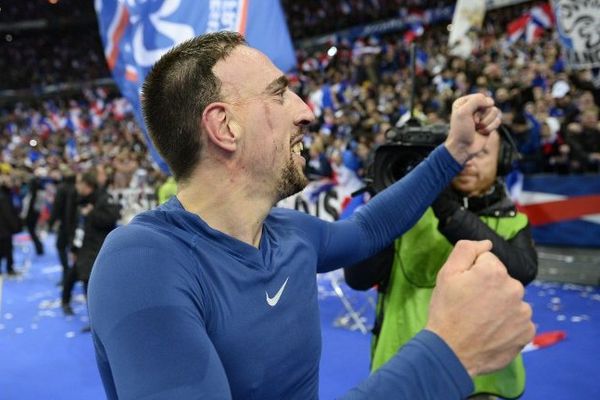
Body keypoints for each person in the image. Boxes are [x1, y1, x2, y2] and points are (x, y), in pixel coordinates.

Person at [88, 32, 534, 400]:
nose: (307, 111)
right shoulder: (143, 263)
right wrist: (449, 354)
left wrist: (453, 152)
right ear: (225, 127)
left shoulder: (287, 233)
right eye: (280, 93)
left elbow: (369, 227)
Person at [345, 128, 538, 399]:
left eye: (481, 153)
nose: (468, 161)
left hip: (484, 380)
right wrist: (386, 204)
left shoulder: (514, 222)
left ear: (502, 160)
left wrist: (445, 206)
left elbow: (522, 270)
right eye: (463, 151)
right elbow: (359, 278)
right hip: (407, 370)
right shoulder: (409, 215)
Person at [61, 172, 120, 326]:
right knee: (79, 276)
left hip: (97, 247)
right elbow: (77, 225)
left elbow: (111, 219)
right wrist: (74, 247)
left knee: (89, 280)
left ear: (87, 185)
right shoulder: (80, 200)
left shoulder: (103, 198)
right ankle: (67, 302)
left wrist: (91, 213)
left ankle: (94, 318)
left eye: (79, 183)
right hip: (85, 246)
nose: (77, 186)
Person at [48, 168, 78, 286]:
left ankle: (67, 274)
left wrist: (51, 223)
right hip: (75, 225)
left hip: (65, 225)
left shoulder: (61, 188)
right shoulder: (77, 188)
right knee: (74, 251)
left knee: (61, 247)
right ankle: (72, 275)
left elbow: (56, 207)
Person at [0, 173, 22, 276]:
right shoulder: (4, 196)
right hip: (4, 228)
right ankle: (9, 269)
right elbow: (8, 213)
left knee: (7, 249)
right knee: (6, 249)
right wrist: (15, 226)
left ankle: (9, 268)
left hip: (5, 227)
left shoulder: (8, 194)